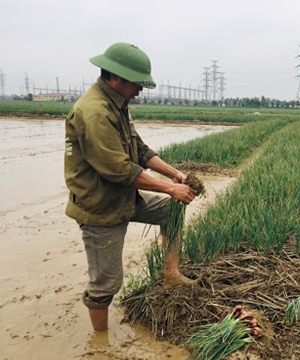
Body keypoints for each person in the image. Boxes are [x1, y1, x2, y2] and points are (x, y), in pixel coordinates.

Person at [64, 42, 198, 332]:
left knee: (170, 211)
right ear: (115, 77)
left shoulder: (118, 104)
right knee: (107, 283)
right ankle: (100, 342)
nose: (139, 90)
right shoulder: (95, 113)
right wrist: (170, 188)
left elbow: (139, 150)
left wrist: (175, 174)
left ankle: (171, 274)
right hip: (100, 206)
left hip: (123, 196)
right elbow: (120, 170)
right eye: (136, 83)